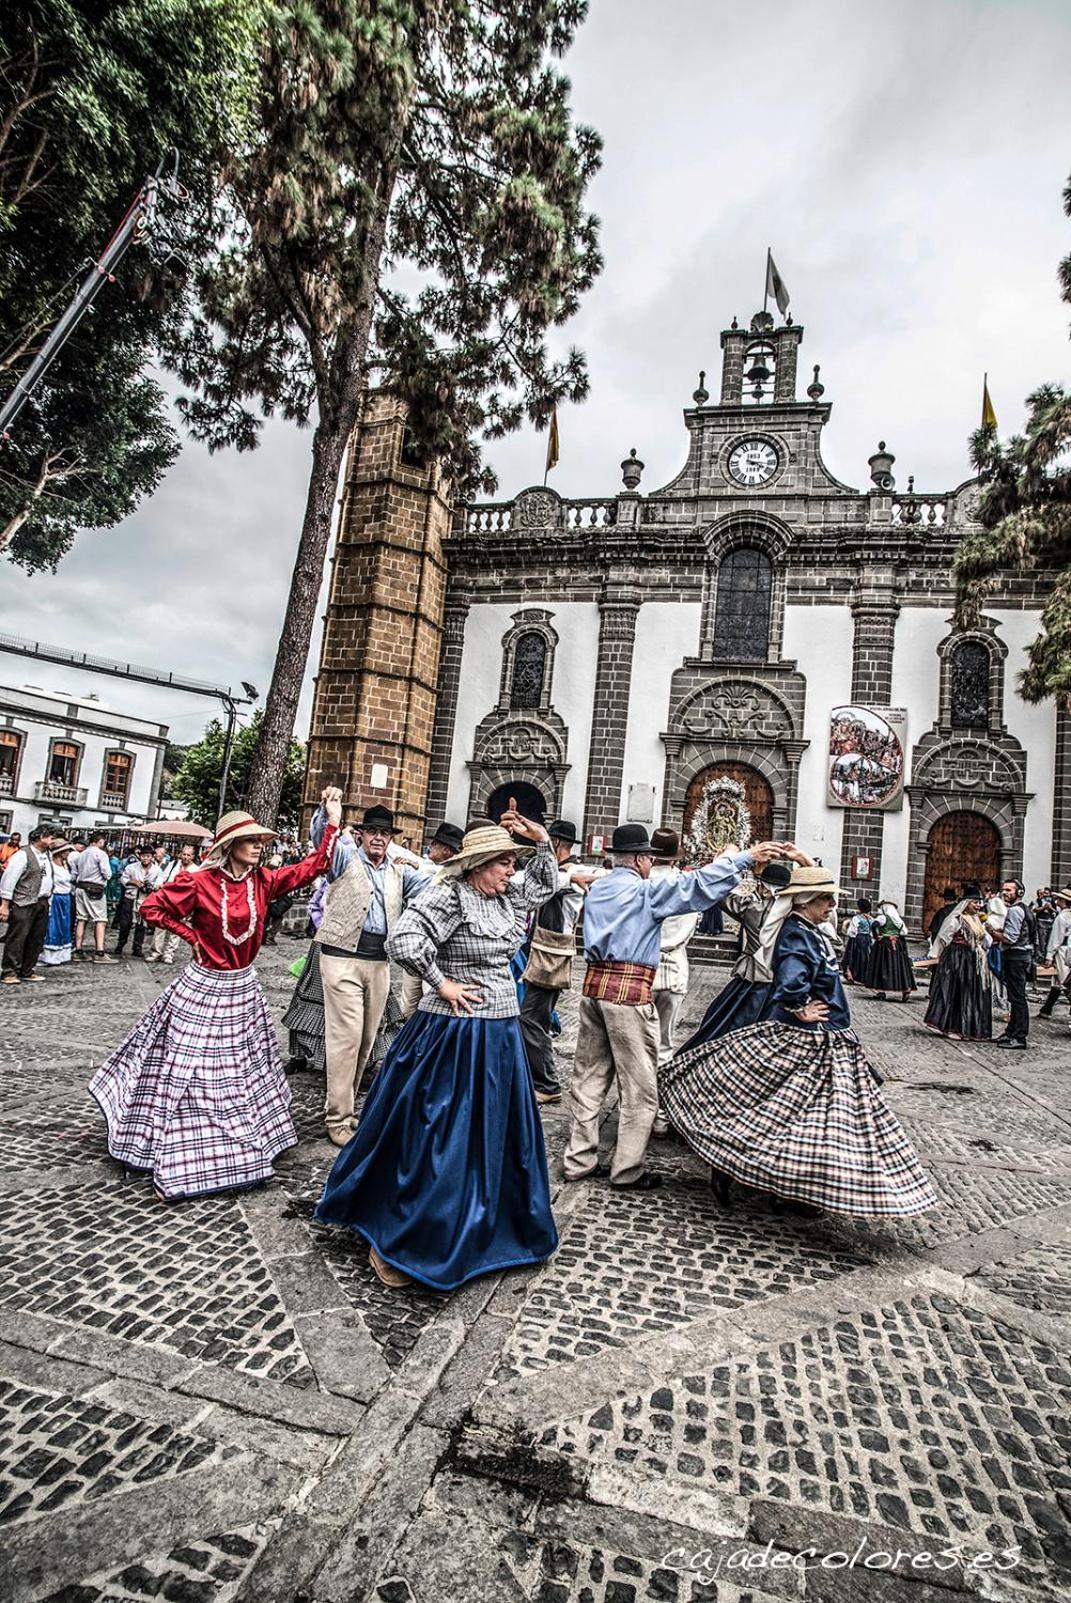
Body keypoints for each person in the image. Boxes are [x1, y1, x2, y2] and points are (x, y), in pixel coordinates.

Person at [315, 803, 559, 1290]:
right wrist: (441, 982)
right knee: (437, 1128)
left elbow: (544, 884)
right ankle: (409, 1229)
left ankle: (490, 1222)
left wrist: (542, 840)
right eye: (503, 862)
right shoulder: (448, 895)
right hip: (453, 1031)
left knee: (492, 1129)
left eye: (513, 861)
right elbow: (403, 941)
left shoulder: (507, 896)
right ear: (476, 865)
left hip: (499, 1031)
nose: (511, 869)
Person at [89, 790, 342, 1200]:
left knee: (238, 1071)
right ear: (229, 847)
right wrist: (192, 937)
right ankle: (177, 1148)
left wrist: (332, 822)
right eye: (252, 841)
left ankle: (234, 1149)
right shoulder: (199, 882)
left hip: (242, 987)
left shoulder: (265, 881)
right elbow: (152, 907)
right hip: (203, 985)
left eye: (262, 841)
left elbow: (315, 866)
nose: (260, 847)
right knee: (191, 1067)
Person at [661, 865, 937, 1217]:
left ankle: (788, 1189)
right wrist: (800, 1006)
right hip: (807, 1037)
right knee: (792, 1113)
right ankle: (740, 1171)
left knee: (800, 1116)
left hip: (827, 1035)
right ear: (806, 901)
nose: (831, 906)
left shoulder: (809, 929)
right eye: (825, 899)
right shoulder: (796, 932)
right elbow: (792, 977)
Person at [563, 824, 783, 1191]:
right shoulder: (645, 892)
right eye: (648, 857)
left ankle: (578, 1160)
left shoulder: (599, 886)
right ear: (638, 859)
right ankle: (627, 1170)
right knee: (640, 1089)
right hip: (628, 994)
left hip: (593, 989)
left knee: (588, 1079)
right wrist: (744, 857)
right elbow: (696, 885)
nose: (651, 863)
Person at [310, 803, 430, 1146]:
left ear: (391, 839)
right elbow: (323, 842)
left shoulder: (398, 871)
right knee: (345, 1038)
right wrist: (328, 816)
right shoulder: (345, 858)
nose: (378, 838)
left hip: (379, 962)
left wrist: (419, 863)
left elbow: (436, 884)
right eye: (373, 832)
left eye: (385, 833)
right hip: (341, 957)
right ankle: (338, 1119)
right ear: (362, 834)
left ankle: (347, 1109)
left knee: (365, 1040)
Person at [517, 819, 591, 1107]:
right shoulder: (565, 873)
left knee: (531, 1018)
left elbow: (545, 885)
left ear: (556, 844)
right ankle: (538, 1078)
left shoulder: (571, 873)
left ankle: (546, 1083)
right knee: (538, 1018)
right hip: (543, 950)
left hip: (552, 952)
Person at [648, 829, 699, 1135]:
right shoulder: (688, 886)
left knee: (639, 1043)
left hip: (644, 965)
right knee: (665, 1044)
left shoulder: (642, 882)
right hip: (675, 966)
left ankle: (639, 1107)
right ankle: (659, 1114)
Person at [397, 821, 465, 1019]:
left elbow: (432, 870)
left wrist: (416, 864)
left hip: (436, 953)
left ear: (446, 850)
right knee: (408, 1006)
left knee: (433, 1001)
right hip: (414, 948)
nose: (430, 848)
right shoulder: (426, 870)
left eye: (434, 844)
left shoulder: (454, 877)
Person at [923, 884, 991, 1040]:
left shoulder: (977, 920)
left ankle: (969, 1028)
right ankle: (951, 1026)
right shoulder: (955, 919)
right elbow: (943, 938)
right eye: (975, 902)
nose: (978, 905)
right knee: (956, 992)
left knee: (971, 993)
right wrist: (935, 956)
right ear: (966, 903)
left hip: (974, 960)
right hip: (957, 960)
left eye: (979, 902)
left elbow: (986, 940)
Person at [1, 822, 57, 983]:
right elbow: (9, 879)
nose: (53, 841)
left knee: (37, 937)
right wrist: (5, 904)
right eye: (51, 838)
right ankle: (9, 971)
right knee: (18, 937)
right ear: (41, 837)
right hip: (23, 901)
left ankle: (27, 969)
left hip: (42, 901)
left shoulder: (47, 855)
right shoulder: (22, 854)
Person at [991, 879, 1035, 1050]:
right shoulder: (1024, 909)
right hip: (1021, 956)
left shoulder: (1016, 911)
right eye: (1004, 889)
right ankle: (1011, 1031)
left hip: (1016, 956)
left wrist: (992, 932)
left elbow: (1011, 938)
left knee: (1017, 997)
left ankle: (1019, 1036)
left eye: (1009, 890)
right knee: (1015, 995)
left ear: (1019, 892)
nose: (1005, 892)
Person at [144, 844, 198, 964]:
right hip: (167, 900)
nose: (185, 857)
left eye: (188, 855)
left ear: (193, 856)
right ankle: (156, 952)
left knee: (177, 929)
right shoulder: (173, 864)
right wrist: (158, 884)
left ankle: (169, 954)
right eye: (184, 854)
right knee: (160, 926)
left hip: (182, 904)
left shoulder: (196, 870)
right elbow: (162, 876)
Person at [73, 830, 115, 962]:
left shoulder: (82, 853)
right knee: (100, 920)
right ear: (100, 841)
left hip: (80, 887)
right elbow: (107, 873)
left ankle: (78, 949)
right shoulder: (100, 854)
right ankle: (100, 952)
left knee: (81, 919)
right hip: (94, 888)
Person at [863, 899, 916, 1001]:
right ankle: (905, 989)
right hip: (897, 945)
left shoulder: (883, 917)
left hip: (884, 945)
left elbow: (874, 925)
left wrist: (876, 935)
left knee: (881, 967)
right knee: (899, 967)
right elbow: (904, 932)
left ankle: (881, 991)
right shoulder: (899, 920)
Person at [116, 847, 162, 957]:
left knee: (141, 925)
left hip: (145, 900)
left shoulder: (157, 870)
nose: (145, 858)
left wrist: (154, 886)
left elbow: (160, 881)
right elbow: (123, 879)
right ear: (140, 856)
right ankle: (120, 944)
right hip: (130, 897)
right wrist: (133, 882)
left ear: (152, 857)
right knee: (125, 923)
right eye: (143, 856)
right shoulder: (131, 867)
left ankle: (137, 947)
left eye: (148, 856)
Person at [1039, 887, 1071, 1020]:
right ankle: (1046, 1008)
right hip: (1066, 949)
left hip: (1063, 951)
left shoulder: (1062, 917)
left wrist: (1049, 956)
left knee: (1065, 981)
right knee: (1058, 981)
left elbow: (1056, 938)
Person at [43, 839, 74, 966]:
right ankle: (47, 955)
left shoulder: (66, 865)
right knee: (52, 925)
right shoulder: (50, 866)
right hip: (55, 898)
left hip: (65, 898)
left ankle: (60, 955)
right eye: (66, 851)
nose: (68, 853)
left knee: (63, 926)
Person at [841, 897, 875, 984]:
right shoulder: (871, 919)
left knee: (852, 957)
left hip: (857, 939)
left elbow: (852, 931)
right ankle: (864, 977)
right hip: (867, 939)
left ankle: (850, 974)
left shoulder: (856, 918)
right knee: (865, 958)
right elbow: (872, 931)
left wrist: (851, 938)